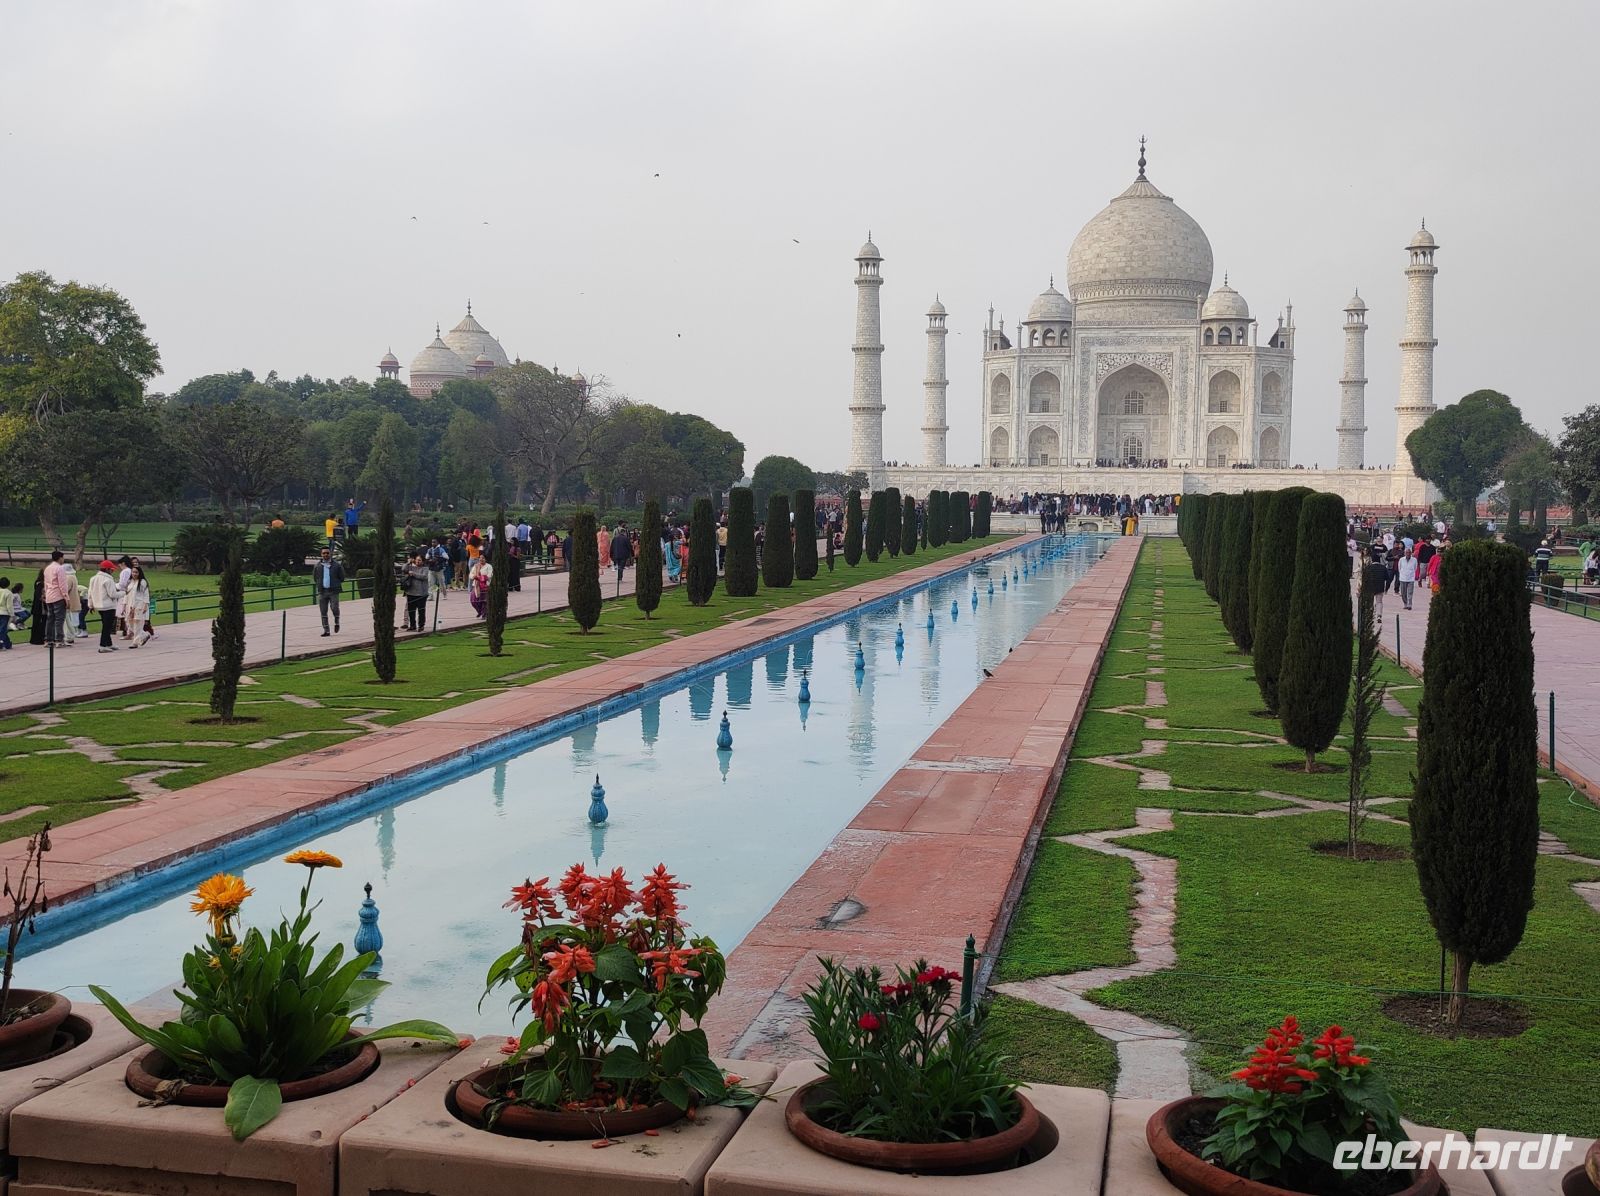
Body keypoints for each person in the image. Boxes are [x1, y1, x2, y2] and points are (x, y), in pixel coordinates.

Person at [87, 560, 123, 651]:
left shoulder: (93, 578)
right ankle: (102, 645)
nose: (112, 571)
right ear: (107, 569)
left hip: (99, 605)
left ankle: (108, 643)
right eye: (111, 570)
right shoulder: (108, 579)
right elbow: (112, 594)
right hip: (109, 605)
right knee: (107, 627)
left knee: (105, 625)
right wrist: (124, 593)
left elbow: (90, 593)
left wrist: (90, 605)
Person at [41, 550, 73, 648]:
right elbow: (63, 585)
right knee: (59, 619)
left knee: (50, 618)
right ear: (60, 558)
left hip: (49, 596)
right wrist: (66, 598)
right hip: (58, 596)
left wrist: (46, 594)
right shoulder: (59, 569)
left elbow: (46, 583)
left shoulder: (47, 568)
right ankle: (59, 639)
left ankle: (48, 639)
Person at [313, 547, 344, 636]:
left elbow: (342, 577)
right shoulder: (318, 566)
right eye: (324, 553)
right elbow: (316, 578)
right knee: (323, 611)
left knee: (334, 607)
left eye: (327, 553)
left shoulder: (337, 565)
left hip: (333, 591)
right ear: (321, 554)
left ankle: (337, 621)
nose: (325, 555)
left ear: (330, 554)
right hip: (322, 591)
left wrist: (335, 583)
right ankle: (326, 630)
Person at [402, 552, 430, 632]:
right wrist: (408, 562)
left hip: (421, 593)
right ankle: (412, 625)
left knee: (421, 610)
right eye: (417, 560)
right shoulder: (411, 567)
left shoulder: (425, 569)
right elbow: (403, 569)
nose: (418, 562)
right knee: (411, 611)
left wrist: (413, 574)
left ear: (423, 561)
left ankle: (421, 625)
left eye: (420, 560)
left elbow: (424, 577)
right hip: (411, 593)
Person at [125, 566, 152, 647]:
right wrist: (124, 605)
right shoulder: (130, 582)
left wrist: (146, 605)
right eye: (133, 572)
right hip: (129, 606)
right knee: (130, 623)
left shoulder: (143, 582)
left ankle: (135, 643)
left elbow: (146, 595)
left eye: (136, 572)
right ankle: (144, 635)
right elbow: (126, 595)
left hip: (139, 605)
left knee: (137, 623)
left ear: (139, 573)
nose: (134, 574)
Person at [1395, 546, 1419, 611]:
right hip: (1403, 578)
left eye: (1409, 552)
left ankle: (1409, 605)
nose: (1408, 554)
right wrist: (1403, 573)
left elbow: (1415, 568)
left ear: (1411, 553)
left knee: (1410, 592)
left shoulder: (1414, 560)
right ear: (1405, 553)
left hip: (1411, 578)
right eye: (1406, 552)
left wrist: (1411, 573)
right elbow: (1399, 568)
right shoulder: (1401, 559)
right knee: (1403, 593)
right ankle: (1405, 603)